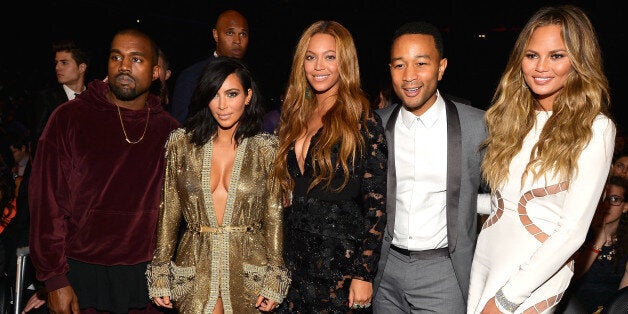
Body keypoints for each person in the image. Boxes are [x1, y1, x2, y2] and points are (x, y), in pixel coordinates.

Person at [467, 5, 616, 314]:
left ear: (578, 60)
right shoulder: (514, 119)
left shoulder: (595, 128)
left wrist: (508, 299)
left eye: (557, 55)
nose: (540, 67)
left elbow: (572, 231)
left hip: (534, 279)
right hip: (485, 261)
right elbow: (504, 204)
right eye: (532, 55)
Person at [28, 28, 180, 313]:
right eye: (116, 57)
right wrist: (54, 279)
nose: (124, 66)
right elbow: (45, 204)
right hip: (80, 274)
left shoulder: (170, 131)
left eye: (136, 59)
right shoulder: (70, 118)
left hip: (148, 280)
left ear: (156, 71)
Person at [147, 56, 290, 313]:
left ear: (248, 96)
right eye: (215, 95)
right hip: (195, 268)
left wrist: (275, 276)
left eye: (232, 94)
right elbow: (169, 210)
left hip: (248, 270)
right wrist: (160, 271)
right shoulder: (182, 145)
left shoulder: (265, 150)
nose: (222, 105)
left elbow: (274, 215)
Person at [372, 21, 488, 313]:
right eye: (399, 65)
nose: (409, 76)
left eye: (421, 63)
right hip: (385, 270)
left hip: (444, 272)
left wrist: (470, 203)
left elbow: (505, 196)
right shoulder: (375, 125)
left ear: (441, 67)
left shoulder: (478, 125)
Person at [272, 20, 387, 312]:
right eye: (310, 57)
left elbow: (376, 204)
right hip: (293, 262)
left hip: (339, 266)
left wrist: (364, 273)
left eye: (329, 56)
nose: (318, 66)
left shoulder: (362, 119)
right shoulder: (296, 115)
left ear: (344, 61)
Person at [559, 176, 628, 313]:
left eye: (614, 199)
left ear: (625, 207)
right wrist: (597, 243)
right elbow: (568, 279)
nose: (607, 205)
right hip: (569, 304)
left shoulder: (625, 243)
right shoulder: (579, 233)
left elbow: (623, 298)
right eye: (603, 198)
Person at [170, 9, 249, 123]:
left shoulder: (248, 77)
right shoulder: (193, 76)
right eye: (230, 33)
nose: (237, 40)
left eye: (243, 34)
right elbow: (178, 126)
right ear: (216, 35)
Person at [31, 39, 90, 148]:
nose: (57, 67)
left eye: (64, 63)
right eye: (56, 63)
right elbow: (40, 141)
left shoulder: (94, 98)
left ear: (81, 67)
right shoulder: (47, 98)